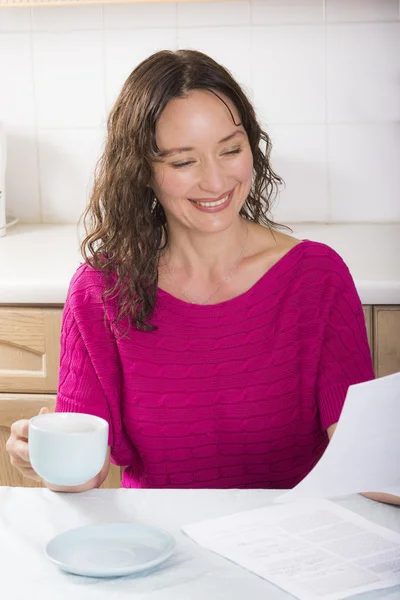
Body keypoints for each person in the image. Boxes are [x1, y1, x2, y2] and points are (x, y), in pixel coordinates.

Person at [5, 50, 399, 505]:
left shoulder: (316, 278)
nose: (216, 181)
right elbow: (83, 476)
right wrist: (42, 457)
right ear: (142, 173)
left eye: (231, 150)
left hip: (296, 544)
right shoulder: (100, 291)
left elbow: (366, 464)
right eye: (182, 162)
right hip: (162, 547)